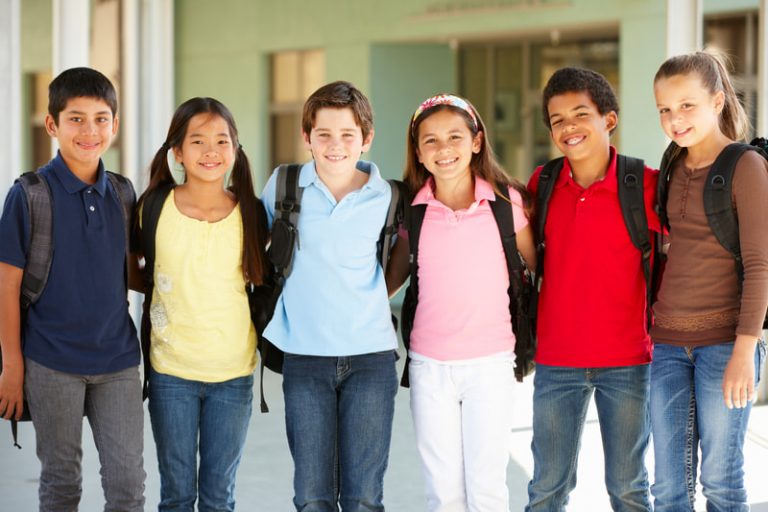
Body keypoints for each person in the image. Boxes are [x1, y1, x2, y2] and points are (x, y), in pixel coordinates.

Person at [0, 67, 145, 510]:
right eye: (76, 119)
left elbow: (133, 272)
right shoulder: (29, 195)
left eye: (101, 119)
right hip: (50, 362)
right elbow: (6, 288)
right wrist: (12, 366)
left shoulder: (123, 193)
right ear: (52, 125)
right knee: (61, 484)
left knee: (127, 485)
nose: (90, 130)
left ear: (115, 126)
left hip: (117, 360)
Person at [385, 93, 535, 511]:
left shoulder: (507, 204)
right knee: (444, 493)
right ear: (417, 151)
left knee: (487, 489)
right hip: (430, 367)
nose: (443, 148)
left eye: (454, 136)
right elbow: (390, 283)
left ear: (476, 141)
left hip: (492, 364)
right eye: (430, 140)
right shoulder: (412, 211)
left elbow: (543, 269)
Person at [260, 81, 398, 511]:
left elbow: (399, 263)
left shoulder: (388, 196)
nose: (335, 145)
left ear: (367, 138)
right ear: (307, 138)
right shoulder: (284, 187)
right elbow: (257, 250)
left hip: (371, 359)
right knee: (312, 496)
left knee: (362, 498)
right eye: (324, 135)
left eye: (347, 135)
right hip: (304, 359)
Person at [525, 67, 659, 512]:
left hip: (629, 361)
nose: (568, 127)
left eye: (581, 114)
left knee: (628, 489)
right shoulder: (541, 185)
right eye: (557, 119)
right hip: (556, 362)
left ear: (610, 119)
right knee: (546, 490)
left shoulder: (646, 184)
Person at [133, 97, 268, 511]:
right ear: (177, 151)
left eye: (221, 140)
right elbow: (133, 270)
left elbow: (263, 280)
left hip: (233, 372)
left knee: (218, 497)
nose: (211, 151)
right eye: (197, 141)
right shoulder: (152, 206)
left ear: (235, 149)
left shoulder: (252, 212)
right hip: (170, 371)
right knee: (176, 495)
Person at [650, 49, 768, 512]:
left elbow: (761, 266)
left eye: (687, 105)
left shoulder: (746, 166)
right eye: (664, 109)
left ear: (717, 101)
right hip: (666, 346)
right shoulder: (672, 167)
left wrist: (745, 350)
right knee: (668, 487)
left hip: (725, 344)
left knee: (721, 481)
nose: (675, 119)